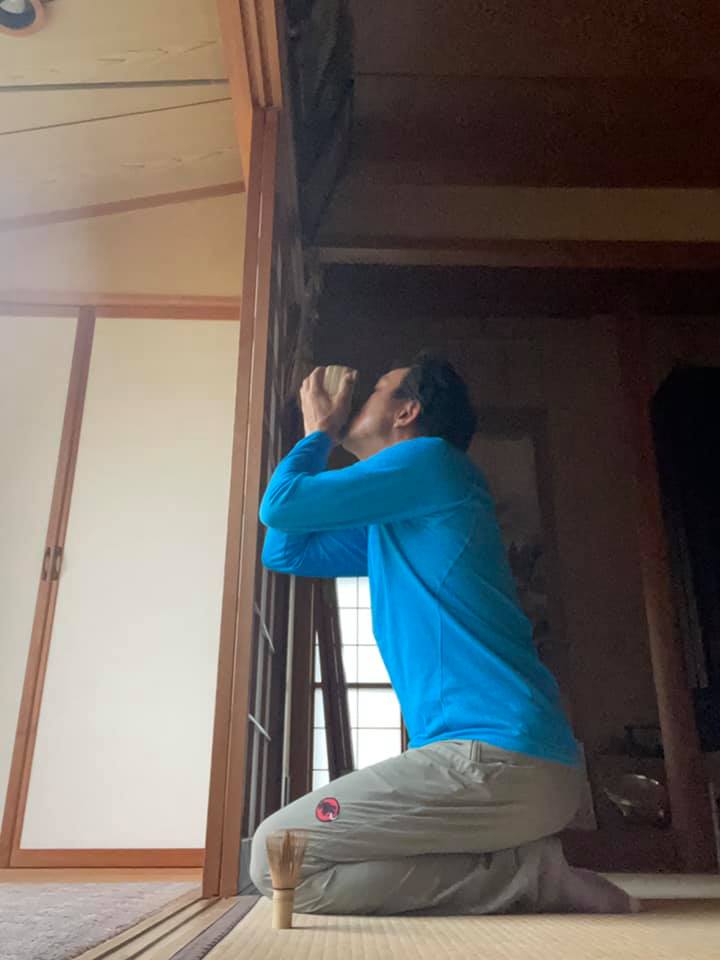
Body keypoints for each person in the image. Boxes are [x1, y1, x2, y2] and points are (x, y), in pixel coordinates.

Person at [250, 353, 637, 915]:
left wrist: (319, 434)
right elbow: (285, 549)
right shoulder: (402, 517)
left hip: (498, 759)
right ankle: (523, 868)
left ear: (407, 412)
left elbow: (281, 506)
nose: (360, 399)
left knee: (276, 859)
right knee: (287, 863)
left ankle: (528, 876)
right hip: (500, 768)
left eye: (376, 390)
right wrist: (319, 438)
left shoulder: (431, 461)